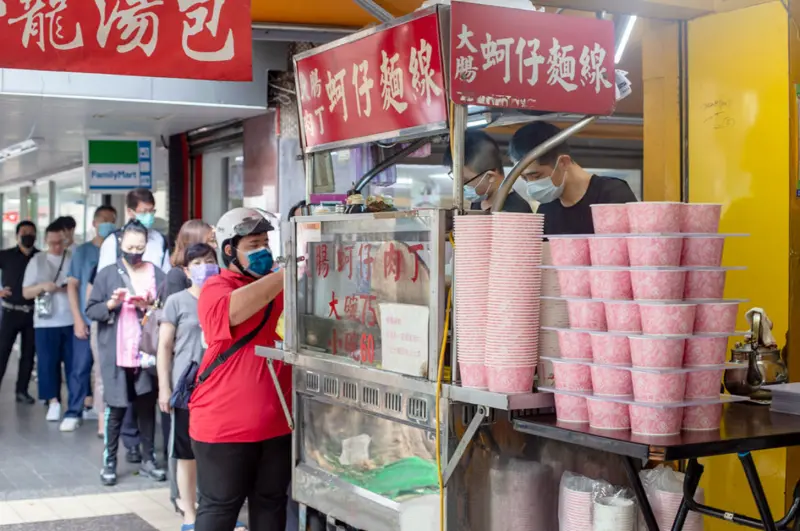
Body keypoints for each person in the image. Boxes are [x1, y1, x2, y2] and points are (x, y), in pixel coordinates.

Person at [192, 207, 290, 531]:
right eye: (253, 245)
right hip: (224, 427)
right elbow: (231, 313)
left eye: (266, 243)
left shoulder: (281, 285)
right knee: (219, 511)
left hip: (277, 424)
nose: (263, 251)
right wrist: (285, 275)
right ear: (229, 251)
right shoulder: (216, 287)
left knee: (271, 506)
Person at [86, 220, 167, 486]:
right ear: (121, 243)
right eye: (130, 247)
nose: (135, 252)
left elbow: (167, 307)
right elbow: (92, 309)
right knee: (116, 408)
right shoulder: (107, 274)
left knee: (146, 407)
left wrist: (150, 305)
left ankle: (148, 459)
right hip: (117, 352)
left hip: (146, 354)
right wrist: (111, 303)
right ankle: (109, 462)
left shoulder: (156, 273)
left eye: (140, 247)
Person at [97, 188, 170, 463]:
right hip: (119, 332)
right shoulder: (112, 242)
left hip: (147, 336)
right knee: (119, 397)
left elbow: (164, 286)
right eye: (143, 211)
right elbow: (104, 282)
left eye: (152, 211)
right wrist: (113, 302)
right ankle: (127, 447)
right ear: (130, 212)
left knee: (144, 395)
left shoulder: (159, 240)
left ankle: (147, 452)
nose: (149, 216)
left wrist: (152, 303)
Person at [157, 243, 219, 530]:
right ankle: (190, 515)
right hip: (186, 388)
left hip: (219, 386)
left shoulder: (224, 298)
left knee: (217, 452)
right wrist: (164, 388)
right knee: (186, 452)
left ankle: (215, 512)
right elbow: (164, 347)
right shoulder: (177, 302)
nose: (204, 267)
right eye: (196, 263)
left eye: (209, 261)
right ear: (185, 270)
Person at [509, 122, 638, 234]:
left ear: (563, 162)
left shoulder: (611, 194)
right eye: (524, 179)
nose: (531, 185)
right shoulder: (547, 208)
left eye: (536, 176)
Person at [66, 206, 117, 434]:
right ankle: (73, 411)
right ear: (94, 223)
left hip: (111, 321)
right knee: (80, 367)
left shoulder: (117, 249)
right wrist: (77, 318)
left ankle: (105, 415)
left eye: (112, 220)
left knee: (105, 371)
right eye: (104, 220)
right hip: (86, 320)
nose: (108, 224)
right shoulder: (83, 252)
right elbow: (72, 285)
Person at [22, 222, 74, 425]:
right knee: (47, 363)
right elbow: (26, 292)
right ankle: (53, 401)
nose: (56, 247)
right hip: (45, 321)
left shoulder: (71, 258)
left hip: (70, 319)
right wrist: (43, 286)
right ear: (45, 241)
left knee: (73, 364)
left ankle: (77, 403)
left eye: (60, 242)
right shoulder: (37, 260)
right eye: (52, 243)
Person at [443, 130, 532, 213]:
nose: (460, 187)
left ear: (490, 176)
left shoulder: (516, 211)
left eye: (465, 181)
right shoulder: (477, 203)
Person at [0, 221, 39, 404]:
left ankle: (22, 391)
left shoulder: (40, 257)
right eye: (24, 232)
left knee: (28, 354)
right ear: (17, 235)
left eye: (31, 232)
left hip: (33, 313)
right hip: (10, 311)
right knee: (2, 352)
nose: (28, 235)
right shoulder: (6, 255)